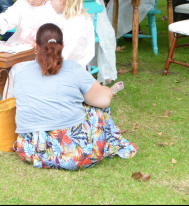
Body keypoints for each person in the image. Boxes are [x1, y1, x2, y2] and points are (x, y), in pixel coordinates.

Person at [14, 23, 137, 170]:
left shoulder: (20, 71)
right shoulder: (72, 68)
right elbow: (103, 100)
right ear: (63, 45)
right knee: (96, 109)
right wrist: (107, 90)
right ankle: (109, 143)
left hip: (30, 150)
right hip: (75, 154)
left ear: (35, 46)